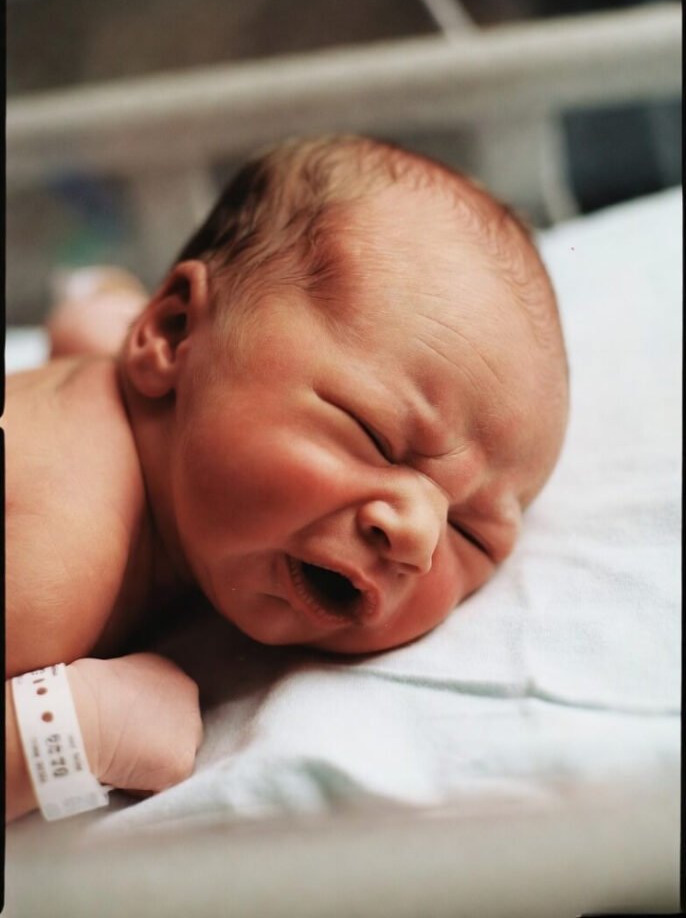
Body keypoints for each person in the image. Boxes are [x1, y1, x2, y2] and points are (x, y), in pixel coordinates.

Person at [4, 134, 569, 822]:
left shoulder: (133, 373)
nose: (418, 539)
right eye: (376, 436)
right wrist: (74, 731)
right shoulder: (54, 567)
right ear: (174, 330)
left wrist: (96, 306)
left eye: (471, 534)